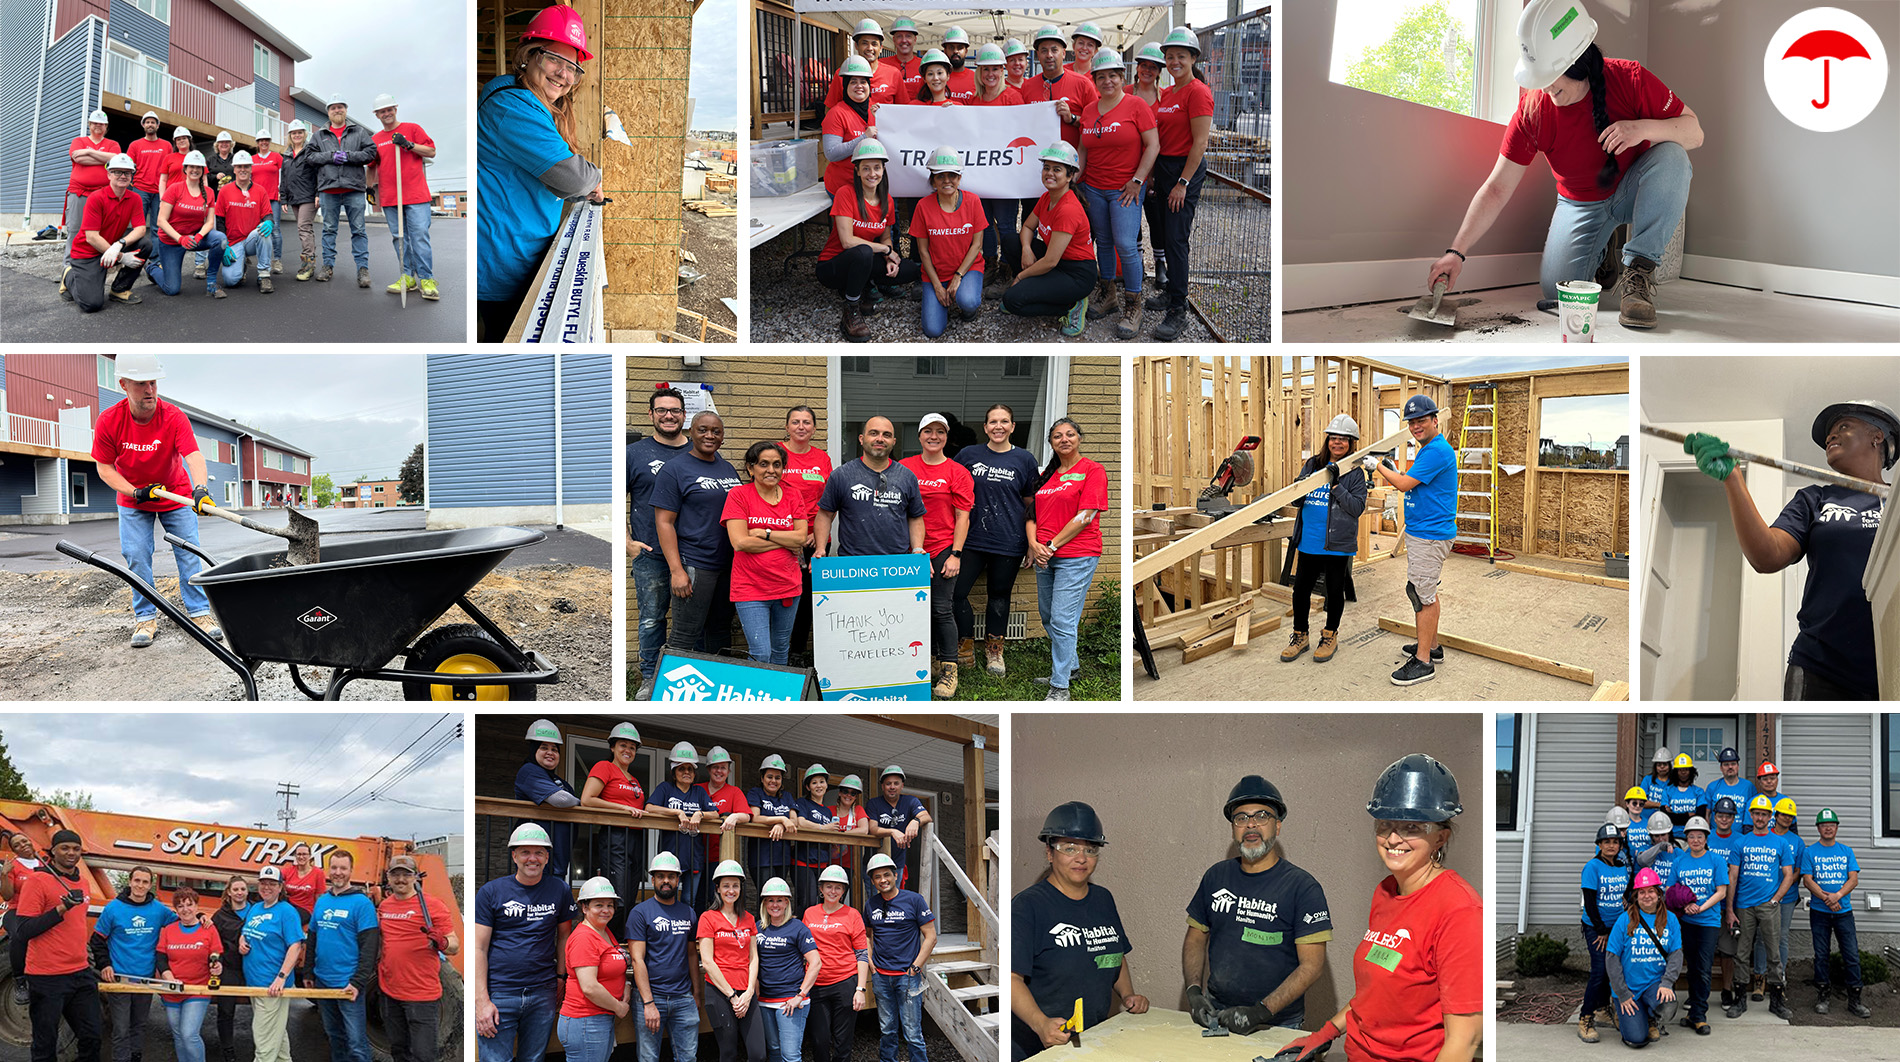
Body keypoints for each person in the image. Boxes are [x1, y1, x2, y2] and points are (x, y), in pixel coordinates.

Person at [1426, 0, 1699, 329]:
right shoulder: (1533, 111)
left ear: (1579, 63)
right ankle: (1604, 248)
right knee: (1557, 291)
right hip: (1580, 204)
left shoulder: (1629, 79)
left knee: (1673, 157)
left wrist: (1641, 129)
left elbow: (1694, 132)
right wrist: (1456, 252)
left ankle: (1638, 272)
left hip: (1633, 191)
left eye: (1552, 76)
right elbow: (1497, 188)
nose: (1545, 87)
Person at [1270, 755, 1480, 1062]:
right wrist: (1326, 1032)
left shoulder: (1460, 911)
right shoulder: (1386, 891)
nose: (1393, 838)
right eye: (1385, 825)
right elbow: (1373, 994)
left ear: (1440, 837)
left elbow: (1464, 1042)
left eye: (1411, 827)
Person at [1683, 400, 1895, 699]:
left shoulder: (1897, 502)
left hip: (1893, 660)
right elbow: (1767, 556)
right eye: (1830, 433)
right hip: (1822, 666)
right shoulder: (1814, 499)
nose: (1830, 437)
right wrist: (1733, 478)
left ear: (1877, 436)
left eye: (1843, 426)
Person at [476, 3, 605, 340]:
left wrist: (580, 181)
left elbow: (561, 174)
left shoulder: (531, 103)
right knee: (505, 343)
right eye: (554, 60)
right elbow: (573, 177)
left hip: (519, 253)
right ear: (528, 56)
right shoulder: (512, 107)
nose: (564, 75)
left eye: (573, 68)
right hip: (505, 263)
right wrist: (593, 178)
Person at [89, 354, 221, 648]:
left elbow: (193, 455)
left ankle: (200, 613)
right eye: (141, 383)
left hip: (175, 494)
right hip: (133, 498)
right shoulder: (109, 420)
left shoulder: (173, 416)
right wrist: (135, 492)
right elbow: (104, 468)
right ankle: (145, 618)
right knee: (136, 555)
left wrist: (200, 489)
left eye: (153, 382)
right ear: (124, 384)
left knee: (189, 553)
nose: (149, 390)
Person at [1183, 776, 1330, 1037]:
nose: (1251, 824)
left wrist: (1260, 1012)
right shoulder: (1216, 877)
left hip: (1277, 1022)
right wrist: (1194, 991)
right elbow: (1195, 939)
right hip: (1216, 1014)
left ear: (1278, 825)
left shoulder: (1302, 887)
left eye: (1262, 816)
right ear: (1233, 828)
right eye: (1241, 818)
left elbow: (1312, 966)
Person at [1011, 803, 1146, 1062]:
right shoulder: (1027, 906)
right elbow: (1011, 979)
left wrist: (1128, 995)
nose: (1081, 858)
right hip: (1036, 1048)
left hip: (1092, 1041)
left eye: (1090, 849)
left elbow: (1114, 954)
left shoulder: (1103, 899)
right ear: (1050, 853)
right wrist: (1041, 1023)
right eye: (1069, 848)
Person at [1370, 394, 1457, 687]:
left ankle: (1423, 662)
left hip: (1430, 535)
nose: (1416, 426)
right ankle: (1431, 646)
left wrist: (1377, 466)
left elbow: (1404, 485)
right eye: (1411, 422)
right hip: (1425, 533)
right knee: (1422, 591)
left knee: (1423, 596)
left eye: (1421, 420)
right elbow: (1414, 481)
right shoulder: (1428, 450)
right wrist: (1390, 468)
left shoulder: (1436, 451)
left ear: (1434, 420)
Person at [473, 823, 578, 1062]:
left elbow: (564, 937)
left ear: (547, 857)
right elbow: (478, 947)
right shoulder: (491, 892)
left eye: (539, 852)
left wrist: (561, 977)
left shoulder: (559, 890)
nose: (532, 858)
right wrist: (481, 1000)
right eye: (525, 852)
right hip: (500, 992)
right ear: (514, 856)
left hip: (542, 992)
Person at [953, 405, 1040, 676]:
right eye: (993, 422)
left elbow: (1032, 504)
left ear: (1013, 426)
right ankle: (965, 646)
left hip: (1008, 539)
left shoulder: (1024, 459)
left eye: (1004, 421)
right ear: (985, 426)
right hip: (971, 539)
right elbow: (952, 492)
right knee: (956, 593)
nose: (998, 426)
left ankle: (994, 651)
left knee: (999, 596)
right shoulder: (968, 455)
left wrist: (1032, 542)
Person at [1077, 52, 1158, 338]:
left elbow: (1153, 145)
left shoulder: (1136, 106)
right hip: (1094, 187)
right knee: (1104, 242)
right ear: (1095, 80)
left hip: (1125, 190)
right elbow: (1083, 147)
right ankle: (1108, 294)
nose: (1107, 81)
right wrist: (1076, 176)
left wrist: (1137, 181)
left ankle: (1133, 305)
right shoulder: (1089, 110)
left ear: (1122, 77)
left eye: (1113, 75)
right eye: (1101, 76)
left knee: (1125, 243)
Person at [1278, 415, 1368, 666]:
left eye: (1343, 439)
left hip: (1338, 543)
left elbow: (1356, 508)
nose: (1337, 443)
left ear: (1351, 443)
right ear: (1328, 440)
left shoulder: (1355, 473)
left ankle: (1330, 636)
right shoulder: (1312, 465)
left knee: (1334, 590)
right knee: (1301, 590)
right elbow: (1297, 500)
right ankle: (1300, 636)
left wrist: (1336, 485)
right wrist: (1299, 487)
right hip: (1310, 539)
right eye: (1334, 438)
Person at [1030, 417, 1107, 700]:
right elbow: (1032, 515)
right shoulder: (1048, 475)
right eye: (1057, 436)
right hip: (1045, 556)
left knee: (1062, 620)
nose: (1064, 439)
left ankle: (1060, 686)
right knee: (1049, 616)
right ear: (1051, 443)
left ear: (1079, 438)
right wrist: (1035, 546)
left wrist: (1050, 546)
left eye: (1070, 434)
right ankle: (1071, 667)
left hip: (1077, 555)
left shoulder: (1092, 470)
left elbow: (1086, 516)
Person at [654, 411, 742, 655]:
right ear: (691, 433)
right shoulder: (675, 469)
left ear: (722, 437)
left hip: (728, 565)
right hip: (696, 563)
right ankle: (668, 680)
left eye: (716, 431)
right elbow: (664, 522)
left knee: (720, 631)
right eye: (703, 430)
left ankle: (716, 679)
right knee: (685, 634)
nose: (709, 435)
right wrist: (676, 571)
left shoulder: (727, 468)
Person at [899, 415, 976, 692]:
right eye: (928, 431)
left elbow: (963, 516)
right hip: (909, 550)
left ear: (947, 436)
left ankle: (949, 669)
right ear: (919, 436)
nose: (934, 436)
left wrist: (956, 554)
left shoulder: (957, 472)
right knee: (912, 609)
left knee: (942, 608)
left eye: (940, 432)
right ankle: (926, 660)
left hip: (943, 546)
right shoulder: (904, 468)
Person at [1146, 27, 1214, 340]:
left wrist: (1182, 182)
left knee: (1175, 239)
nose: (1174, 61)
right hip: (1164, 167)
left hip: (1184, 170)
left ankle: (1178, 308)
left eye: (1181, 56)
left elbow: (1200, 143)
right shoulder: (1169, 93)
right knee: (1163, 232)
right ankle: (1172, 291)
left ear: (1193, 58)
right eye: (1170, 56)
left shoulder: (1198, 92)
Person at [815, 140, 920, 340]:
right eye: (866, 168)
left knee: (909, 270)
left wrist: (889, 258)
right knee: (863, 252)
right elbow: (847, 242)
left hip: (864, 260)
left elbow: (886, 237)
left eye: (877, 168)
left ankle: (861, 285)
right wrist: (885, 250)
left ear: (883, 170)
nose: (872, 174)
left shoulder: (887, 200)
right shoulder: (846, 194)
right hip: (832, 266)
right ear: (857, 171)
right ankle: (851, 309)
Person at [15, 829, 103, 1062]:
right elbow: (23, 931)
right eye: (65, 848)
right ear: (53, 851)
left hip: (81, 972)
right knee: (45, 1044)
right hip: (47, 976)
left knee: (92, 1037)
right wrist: (61, 909)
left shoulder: (83, 883)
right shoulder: (37, 880)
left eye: (76, 848)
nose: (71, 853)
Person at [628, 388, 691, 698]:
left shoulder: (698, 451)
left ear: (684, 415)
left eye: (675, 410)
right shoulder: (634, 454)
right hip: (651, 552)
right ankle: (650, 678)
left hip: (692, 553)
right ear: (651, 414)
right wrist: (627, 541)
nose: (669, 416)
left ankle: (689, 675)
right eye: (662, 410)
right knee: (652, 619)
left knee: (691, 620)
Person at [723, 442, 809, 665]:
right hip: (750, 587)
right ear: (750, 468)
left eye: (777, 464)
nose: (771, 470)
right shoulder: (739, 495)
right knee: (760, 652)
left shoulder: (793, 495)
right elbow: (740, 542)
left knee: (780, 649)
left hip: (788, 586)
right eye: (764, 464)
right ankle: (758, 688)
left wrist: (765, 533)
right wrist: (786, 541)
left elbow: (801, 537)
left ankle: (778, 688)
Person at [1004, 142, 1098, 336]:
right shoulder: (1047, 197)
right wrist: (1026, 249)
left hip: (1076, 274)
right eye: (1046, 168)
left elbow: (1050, 261)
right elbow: (1027, 227)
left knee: (1012, 301)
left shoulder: (1068, 209)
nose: (1049, 173)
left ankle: (1071, 305)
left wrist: (1021, 276)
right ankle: (1037, 290)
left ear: (1069, 176)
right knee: (1010, 241)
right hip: (1055, 262)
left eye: (1057, 169)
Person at [92, 865, 178, 1062]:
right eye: (137, 880)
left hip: (145, 978)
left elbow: (183, 922)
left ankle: (136, 1056)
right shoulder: (113, 908)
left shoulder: (158, 909)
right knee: (121, 1028)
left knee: (139, 1024)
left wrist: (201, 918)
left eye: (145, 882)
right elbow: (97, 940)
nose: (140, 885)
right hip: (119, 978)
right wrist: (105, 964)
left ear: (150, 885)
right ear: (130, 882)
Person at [378, 854, 460, 1062]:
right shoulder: (385, 907)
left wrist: (442, 942)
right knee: (399, 1051)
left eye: (406, 875)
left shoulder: (432, 906)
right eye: (395, 874)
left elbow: (454, 946)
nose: (400, 879)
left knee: (424, 1055)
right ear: (388, 877)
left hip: (421, 995)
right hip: (389, 991)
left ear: (415, 877)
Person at [815, 417, 926, 558]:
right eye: (874, 433)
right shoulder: (841, 475)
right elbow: (825, 514)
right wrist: (820, 548)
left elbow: (915, 517)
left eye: (886, 435)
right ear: (861, 439)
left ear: (893, 442)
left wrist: (917, 548)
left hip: (896, 563)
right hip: (853, 563)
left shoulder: (907, 477)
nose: (880, 439)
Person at [627, 852, 701, 1062]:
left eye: (671, 876)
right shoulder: (640, 913)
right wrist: (648, 1002)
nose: (666, 881)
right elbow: (637, 960)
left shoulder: (688, 913)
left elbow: (691, 954)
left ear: (678, 880)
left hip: (683, 997)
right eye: (660, 876)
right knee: (649, 1058)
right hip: (652, 998)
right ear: (653, 880)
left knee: (688, 1058)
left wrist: (696, 993)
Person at [308, 850, 381, 1062]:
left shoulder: (362, 903)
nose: (338, 872)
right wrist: (309, 972)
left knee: (356, 1043)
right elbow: (313, 938)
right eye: (334, 867)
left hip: (348, 984)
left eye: (343, 868)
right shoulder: (322, 901)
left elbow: (370, 947)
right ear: (328, 870)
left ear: (351, 871)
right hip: (323, 981)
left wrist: (357, 982)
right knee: (334, 1036)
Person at [1724, 795, 1792, 1020]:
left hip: (1768, 906)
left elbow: (1788, 875)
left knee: (1773, 953)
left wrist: (1776, 899)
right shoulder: (1740, 843)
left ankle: (1777, 1001)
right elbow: (1733, 877)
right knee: (1742, 954)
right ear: (1751, 815)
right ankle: (1740, 999)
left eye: (1764, 814)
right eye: (1757, 814)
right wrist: (1730, 909)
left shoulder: (1780, 843)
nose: (1760, 818)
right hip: (1744, 906)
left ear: (1770, 816)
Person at [863, 853, 936, 1062]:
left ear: (896, 875)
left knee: (912, 1032)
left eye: (887, 875)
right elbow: (866, 935)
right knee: (887, 1030)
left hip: (907, 976)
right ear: (873, 881)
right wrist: (870, 960)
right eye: (877, 877)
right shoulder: (871, 904)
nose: (883, 880)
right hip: (881, 977)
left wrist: (916, 967)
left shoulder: (914, 900)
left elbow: (931, 937)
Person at [909, 150, 987, 339]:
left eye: (952, 175)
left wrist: (958, 277)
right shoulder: (923, 206)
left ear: (959, 178)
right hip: (936, 273)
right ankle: (941, 296)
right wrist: (937, 286)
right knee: (933, 330)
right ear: (932, 180)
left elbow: (977, 245)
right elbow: (923, 252)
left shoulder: (973, 201)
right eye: (940, 176)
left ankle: (966, 307)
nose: (946, 181)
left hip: (967, 269)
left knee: (968, 301)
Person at [369, 93, 440, 300]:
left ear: (395, 109)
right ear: (377, 115)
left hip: (416, 195)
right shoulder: (375, 140)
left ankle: (426, 279)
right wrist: (369, 188)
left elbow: (431, 151)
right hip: (390, 198)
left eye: (389, 109)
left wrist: (409, 145)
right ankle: (407, 277)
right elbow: (371, 166)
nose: (386, 113)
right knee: (399, 238)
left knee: (419, 236)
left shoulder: (412, 129)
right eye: (382, 111)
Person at [1802, 808, 1870, 1018]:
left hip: (1844, 912)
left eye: (1831, 825)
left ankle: (1855, 999)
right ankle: (1823, 995)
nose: (1828, 828)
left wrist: (1837, 896)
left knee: (1851, 955)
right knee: (1821, 955)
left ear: (1837, 827)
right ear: (1818, 828)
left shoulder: (1846, 851)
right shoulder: (1810, 852)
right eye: (1824, 825)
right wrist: (1827, 899)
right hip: (1819, 912)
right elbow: (1807, 880)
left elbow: (1853, 879)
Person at [1604, 869, 1683, 1047]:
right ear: (1636, 896)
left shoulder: (1670, 919)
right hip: (1628, 987)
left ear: (1659, 894)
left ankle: (1650, 1017)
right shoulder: (1624, 920)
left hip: (1654, 985)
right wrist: (1622, 993)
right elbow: (1612, 958)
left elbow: (1676, 954)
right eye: (1642, 892)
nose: (1647, 896)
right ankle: (1622, 1011)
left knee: (1667, 1004)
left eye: (1651, 891)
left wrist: (1667, 983)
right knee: (1637, 1039)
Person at [60, 153, 147, 312]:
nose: (123, 176)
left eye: (127, 172)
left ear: (131, 176)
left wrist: (119, 244)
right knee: (91, 304)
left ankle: (119, 289)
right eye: (117, 172)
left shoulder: (134, 198)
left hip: (111, 246)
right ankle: (69, 275)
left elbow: (141, 228)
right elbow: (91, 237)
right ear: (108, 175)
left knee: (145, 244)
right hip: (87, 254)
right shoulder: (96, 198)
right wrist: (121, 257)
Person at [698, 861, 765, 1062]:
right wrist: (732, 997)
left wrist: (749, 992)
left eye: (735, 885)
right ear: (717, 888)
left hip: (746, 991)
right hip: (720, 992)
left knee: (758, 1054)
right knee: (728, 1053)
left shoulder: (749, 919)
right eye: (726, 885)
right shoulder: (708, 918)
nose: (731, 890)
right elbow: (707, 962)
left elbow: (754, 958)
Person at [237, 866, 306, 1062]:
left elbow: (295, 946)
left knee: (264, 1040)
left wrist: (281, 978)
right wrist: (242, 941)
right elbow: (246, 931)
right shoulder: (255, 908)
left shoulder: (287, 911)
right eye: (263, 883)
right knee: (276, 1032)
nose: (267, 887)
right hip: (255, 982)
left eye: (272, 884)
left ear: (280, 887)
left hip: (273, 986)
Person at [801, 865, 869, 1062]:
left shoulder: (852, 915)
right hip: (816, 984)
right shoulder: (809, 913)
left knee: (843, 1040)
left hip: (845, 982)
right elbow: (802, 948)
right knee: (819, 1039)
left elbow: (862, 954)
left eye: (838, 887)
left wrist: (860, 989)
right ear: (821, 889)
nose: (833, 891)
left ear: (843, 891)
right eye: (829, 886)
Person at [559, 878, 630, 1062]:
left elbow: (613, 966)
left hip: (598, 1018)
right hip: (586, 1020)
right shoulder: (584, 937)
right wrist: (619, 1007)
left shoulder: (604, 931)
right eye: (599, 905)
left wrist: (626, 985)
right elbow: (589, 987)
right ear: (584, 907)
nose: (606, 910)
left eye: (610, 905)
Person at [311, 93, 378, 287]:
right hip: (328, 189)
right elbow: (310, 157)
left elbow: (371, 152)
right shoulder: (319, 135)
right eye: (333, 107)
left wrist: (348, 156)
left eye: (340, 107)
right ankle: (328, 266)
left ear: (346, 110)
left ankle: (362, 269)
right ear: (328, 112)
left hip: (353, 188)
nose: (337, 110)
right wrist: (331, 156)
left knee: (359, 230)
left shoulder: (358, 132)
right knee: (328, 229)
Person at [782, 406, 833, 661]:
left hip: (816, 540)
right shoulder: (776, 453)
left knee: (807, 601)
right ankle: (779, 652)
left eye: (806, 422)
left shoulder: (822, 458)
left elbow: (829, 501)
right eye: (795, 422)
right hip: (782, 539)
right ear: (787, 427)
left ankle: (798, 652)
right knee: (784, 596)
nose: (801, 427)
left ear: (814, 428)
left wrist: (817, 534)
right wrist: (788, 535)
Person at [579, 722, 648, 905]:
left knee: (631, 894)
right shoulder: (604, 767)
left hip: (636, 837)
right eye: (623, 745)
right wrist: (623, 808)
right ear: (612, 747)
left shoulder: (634, 780)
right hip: (615, 836)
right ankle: (615, 925)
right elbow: (587, 799)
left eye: (632, 747)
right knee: (619, 895)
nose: (628, 750)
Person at [1670, 816, 1726, 1035]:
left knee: (1704, 967)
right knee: (1692, 967)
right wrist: (1685, 905)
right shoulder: (1679, 861)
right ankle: (1693, 1011)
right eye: (1691, 836)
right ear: (1686, 838)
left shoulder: (1716, 860)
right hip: (1687, 921)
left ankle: (1700, 1015)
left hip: (1708, 921)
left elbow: (1721, 891)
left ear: (1706, 838)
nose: (1695, 840)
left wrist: (1700, 907)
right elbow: (1671, 890)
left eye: (1699, 836)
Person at [754, 877, 821, 1062]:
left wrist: (800, 995)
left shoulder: (798, 928)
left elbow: (815, 963)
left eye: (780, 900)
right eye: (770, 900)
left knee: (790, 1056)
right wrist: (755, 981)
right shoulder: (758, 928)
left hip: (790, 1002)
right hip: (765, 1000)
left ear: (787, 903)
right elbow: (752, 959)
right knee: (774, 1050)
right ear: (764, 903)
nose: (775, 905)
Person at [147, 150, 228, 298]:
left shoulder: (209, 192)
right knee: (172, 289)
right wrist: (180, 239)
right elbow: (161, 221)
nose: (195, 170)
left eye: (198, 167)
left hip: (194, 238)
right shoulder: (174, 189)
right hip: (172, 241)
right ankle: (153, 268)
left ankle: (211, 283)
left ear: (203, 170)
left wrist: (199, 236)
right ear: (185, 169)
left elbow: (210, 222)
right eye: (191, 166)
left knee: (220, 239)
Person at [154, 887, 222, 1062]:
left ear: (197, 906)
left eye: (189, 904)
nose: (185, 909)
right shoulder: (169, 930)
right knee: (178, 1036)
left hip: (197, 989)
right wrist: (169, 978)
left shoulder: (208, 929)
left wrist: (217, 966)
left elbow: (216, 955)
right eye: (180, 906)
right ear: (176, 910)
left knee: (189, 1034)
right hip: (172, 989)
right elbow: (161, 958)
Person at [1575, 823, 1628, 1042]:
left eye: (1615, 842)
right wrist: (1601, 930)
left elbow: (1624, 892)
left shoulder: (1621, 866)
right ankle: (1585, 1017)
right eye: (1607, 842)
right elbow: (1589, 902)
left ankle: (1603, 1008)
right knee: (1599, 971)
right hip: (1596, 927)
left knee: (1612, 970)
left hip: (1617, 927)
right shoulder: (1592, 867)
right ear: (1599, 845)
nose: (1611, 846)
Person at [650, 743, 715, 911]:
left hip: (694, 857)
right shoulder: (665, 788)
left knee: (689, 901)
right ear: (674, 772)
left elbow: (715, 814)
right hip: (669, 855)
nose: (686, 772)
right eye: (681, 769)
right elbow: (650, 808)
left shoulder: (699, 792)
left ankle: (686, 928)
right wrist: (676, 812)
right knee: (666, 897)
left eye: (690, 769)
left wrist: (700, 814)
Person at [514, 719, 580, 881]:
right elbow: (561, 799)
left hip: (558, 854)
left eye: (554, 749)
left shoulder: (560, 782)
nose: (550, 752)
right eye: (544, 747)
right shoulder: (529, 771)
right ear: (534, 750)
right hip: (535, 854)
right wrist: (579, 803)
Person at [1020, 27, 1097, 152]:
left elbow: (1096, 124)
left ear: (1064, 53)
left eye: (1054, 50)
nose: (1049, 55)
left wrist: (1072, 118)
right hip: (1036, 157)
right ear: (1038, 55)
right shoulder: (1027, 86)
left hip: (1073, 160)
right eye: (1044, 50)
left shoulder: (1083, 84)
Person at [793, 766, 855, 912]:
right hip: (803, 860)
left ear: (826, 785)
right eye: (814, 783)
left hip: (823, 862)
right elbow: (800, 822)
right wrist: (823, 828)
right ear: (808, 787)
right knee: (806, 901)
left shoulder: (827, 811)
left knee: (823, 902)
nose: (819, 785)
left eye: (822, 782)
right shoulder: (803, 803)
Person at [214, 150, 276, 293]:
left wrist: (269, 222)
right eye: (239, 166)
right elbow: (219, 221)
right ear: (234, 169)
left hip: (251, 239)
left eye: (246, 166)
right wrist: (224, 245)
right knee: (230, 280)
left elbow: (268, 215)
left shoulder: (260, 190)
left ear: (251, 169)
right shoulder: (224, 191)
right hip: (233, 242)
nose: (243, 169)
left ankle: (264, 275)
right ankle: (241, 265)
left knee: (263, 230)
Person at [65, 110, 121, 268]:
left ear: (106, 127)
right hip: (79, 192)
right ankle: (69, 266)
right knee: (75, 229)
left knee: (102, 231)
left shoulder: (112, 144)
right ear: (89, 124)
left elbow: (116, 159)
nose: (98, 126)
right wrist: (104, 159)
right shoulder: (78, 141)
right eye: (95, 123)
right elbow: (78, 158)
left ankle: (98, 264)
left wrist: (89, 152)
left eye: (101, 124)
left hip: (103, 194)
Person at [822, 59, 882, 200]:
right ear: (845, 86)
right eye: (853, 82)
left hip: (872, 185)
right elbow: (831, 153)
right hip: (843, 186)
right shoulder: (836, 114)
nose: (859, 86)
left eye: (863, 82)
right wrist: (863, 138)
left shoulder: (877, 111)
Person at [865, 767, 931, 891]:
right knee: (875, 898)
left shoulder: (910, 801)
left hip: (897, 863)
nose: (892, 787)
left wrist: (915, 821)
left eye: (896, 783)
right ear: (882, 786)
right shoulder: (874, 803)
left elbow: (926, 817)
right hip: (874, 862)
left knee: (893, 897)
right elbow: (872, 829)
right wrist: (892, 831)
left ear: (902, 786)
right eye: (888, 784)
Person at [740, 754, 799, 888]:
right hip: (761, 857)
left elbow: (794, 821)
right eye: (769, 777)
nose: (773, 781)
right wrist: (781, 819)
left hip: (782, 857)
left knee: (779, 894)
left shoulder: (787, 796)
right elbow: (755, 818)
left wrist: (781, 825)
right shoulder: (755, 793)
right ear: (762, 778)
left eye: (777, 778)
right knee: (766, 895)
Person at [210, 876, 252, 1062]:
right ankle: (227, 1049)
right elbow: (212, 942)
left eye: (242, 889)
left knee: (262, 1009)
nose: (239, 893)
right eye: (235, 889)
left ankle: (264, 1047)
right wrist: (217, 962)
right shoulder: (220, 916)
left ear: (247, 891)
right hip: (229, 969)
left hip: (254, 966)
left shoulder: (257, 911)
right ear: (229, 892)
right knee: (226, 1011)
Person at [0, 832, 43, 1005]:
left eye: (24, 841)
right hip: (17, 910)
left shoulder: (45, 863)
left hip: (41, 911)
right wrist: (4, 875)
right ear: (14, 850)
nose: (22, 845)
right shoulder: (13, 866)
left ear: (30, 841)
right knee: (18, 935)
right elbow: (7, 896)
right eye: (17, 845)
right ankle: (19, 981)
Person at [825, 20, 905, 110]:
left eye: (874, 44)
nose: (870, 48)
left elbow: (903, 109)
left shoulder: (894, 74)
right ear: (856, 46)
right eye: (864, 43)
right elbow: (829, 109)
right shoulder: (842, 74)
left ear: (881, 48)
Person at [126, 111, 172, 259]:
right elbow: (128, 166)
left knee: (157, 227)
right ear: (143, 125)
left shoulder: (166, 146)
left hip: (160, 191)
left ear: (157, 126)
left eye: (153, 122)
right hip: (140, 190)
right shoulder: (135, 145)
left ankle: (155, 260)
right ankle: (136, 258)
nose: (150, 124)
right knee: (138, 226)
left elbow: (171, 168)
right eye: (147, 122)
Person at [281, 121, 322, 280]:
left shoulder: (310, 151)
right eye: (294, 133)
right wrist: (284, 198)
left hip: (308, 196)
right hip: (294, 197)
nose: (297, 135)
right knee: (305, 229)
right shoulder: (286, 155)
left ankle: (308, 265)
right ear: (290, 135)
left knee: (303, 227)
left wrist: (318, 193)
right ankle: (309, 260)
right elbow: (284, 178)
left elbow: (318, 173)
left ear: (304, 134)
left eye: (299, 132)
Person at [248, 130, 285, 276]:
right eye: (261, 140)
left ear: (269, 142)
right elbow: (248, 179)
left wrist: (281, 190)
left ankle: (277, 260)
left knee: (274, 229)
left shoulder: (276, 157)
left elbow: (283, 175)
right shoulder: (252, 159)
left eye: (266, 140)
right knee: (253, 228)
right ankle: (251, 257)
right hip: (255, 199)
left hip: (273, 198)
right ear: (257, 143)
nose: (264, 142)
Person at [1660, 753, 1707, 840]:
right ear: (1675, 772)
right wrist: (1688, 815)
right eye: (1680, 769)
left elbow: (1700, 816)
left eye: (1686, 769)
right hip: (1672, 837)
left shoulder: (1699, 792)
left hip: (1692, 836)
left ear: (1691, 772)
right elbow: (1665, 817)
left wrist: (1675, 815)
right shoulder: (1667, 791)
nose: (1683, 772)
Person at [881, 17, 925, 98]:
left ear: (915, 40)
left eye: (908, 36)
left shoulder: (924, 65)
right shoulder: (881, 64)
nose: (904, 40)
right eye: (899, 36)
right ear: (894, 40)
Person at [1704, 748, 1753, 818]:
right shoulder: (1712, 787)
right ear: (1721, 768)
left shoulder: (1749, 787)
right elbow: (1707, 814)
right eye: (1726, 764)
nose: (1730, 767)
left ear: (1738, 767)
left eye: (1733, 764)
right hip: (1716, 825)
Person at [283, 842, 326, 922]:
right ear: (295, 856)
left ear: (310, 856)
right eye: (299, 854)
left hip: (306, 909)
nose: (301, 857)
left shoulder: (318, 873)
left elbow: (320, 897)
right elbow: (275, 879)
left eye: (304, 854)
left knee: (289, 919)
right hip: (289, 905)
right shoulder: (289, 870)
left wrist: (318, 916)